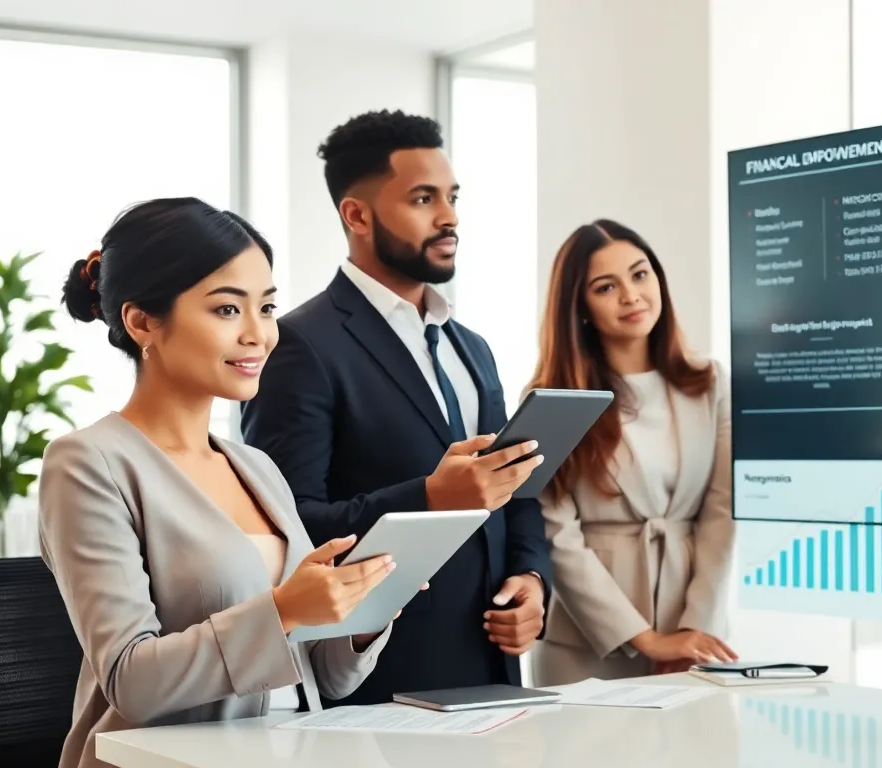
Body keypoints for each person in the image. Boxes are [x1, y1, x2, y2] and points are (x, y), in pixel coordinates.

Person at [38, 198, 401, 768]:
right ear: (142, 322)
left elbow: (326, 681)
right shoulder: (87, 463)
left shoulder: (255, 466)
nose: (259, 334)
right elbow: (129, 680)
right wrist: (282, 610)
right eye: (228, 310)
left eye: (268, 307)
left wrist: (363, 615)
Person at [240, 109, 553, 703]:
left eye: (452, 197)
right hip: (376, 676)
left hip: (493, 666)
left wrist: (533, 579)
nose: (449, 216)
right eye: (422, 198)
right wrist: (430, 497)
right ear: (356, 215)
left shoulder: (473, 348)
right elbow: (290, 525)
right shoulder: (301, 345)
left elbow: (517, 488)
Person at [526, 219, 739, 687]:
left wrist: (692, 626)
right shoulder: (551, 398)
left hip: (697, 625)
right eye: (607, 287)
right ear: (579, 307)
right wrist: (645, 639)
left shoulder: (710, 382)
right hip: (589, 640)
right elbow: (557, 534)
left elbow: (724, 510)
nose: (632, 295)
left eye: (641, 275)